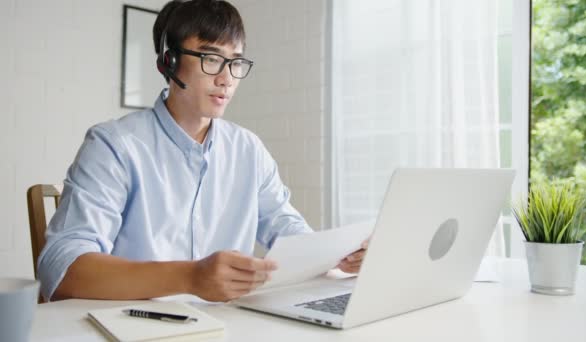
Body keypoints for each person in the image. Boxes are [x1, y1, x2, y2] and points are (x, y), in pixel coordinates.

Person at [37, 0, 367, 303]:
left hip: (229, 325)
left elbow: (288, 230)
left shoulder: (249, 150)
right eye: (211, 59)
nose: (226, 79)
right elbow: (62, 269)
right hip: (133, 326)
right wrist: (190, 277)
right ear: (169, 61)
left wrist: (338, 254)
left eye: (235, 62)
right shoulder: (114, 144)